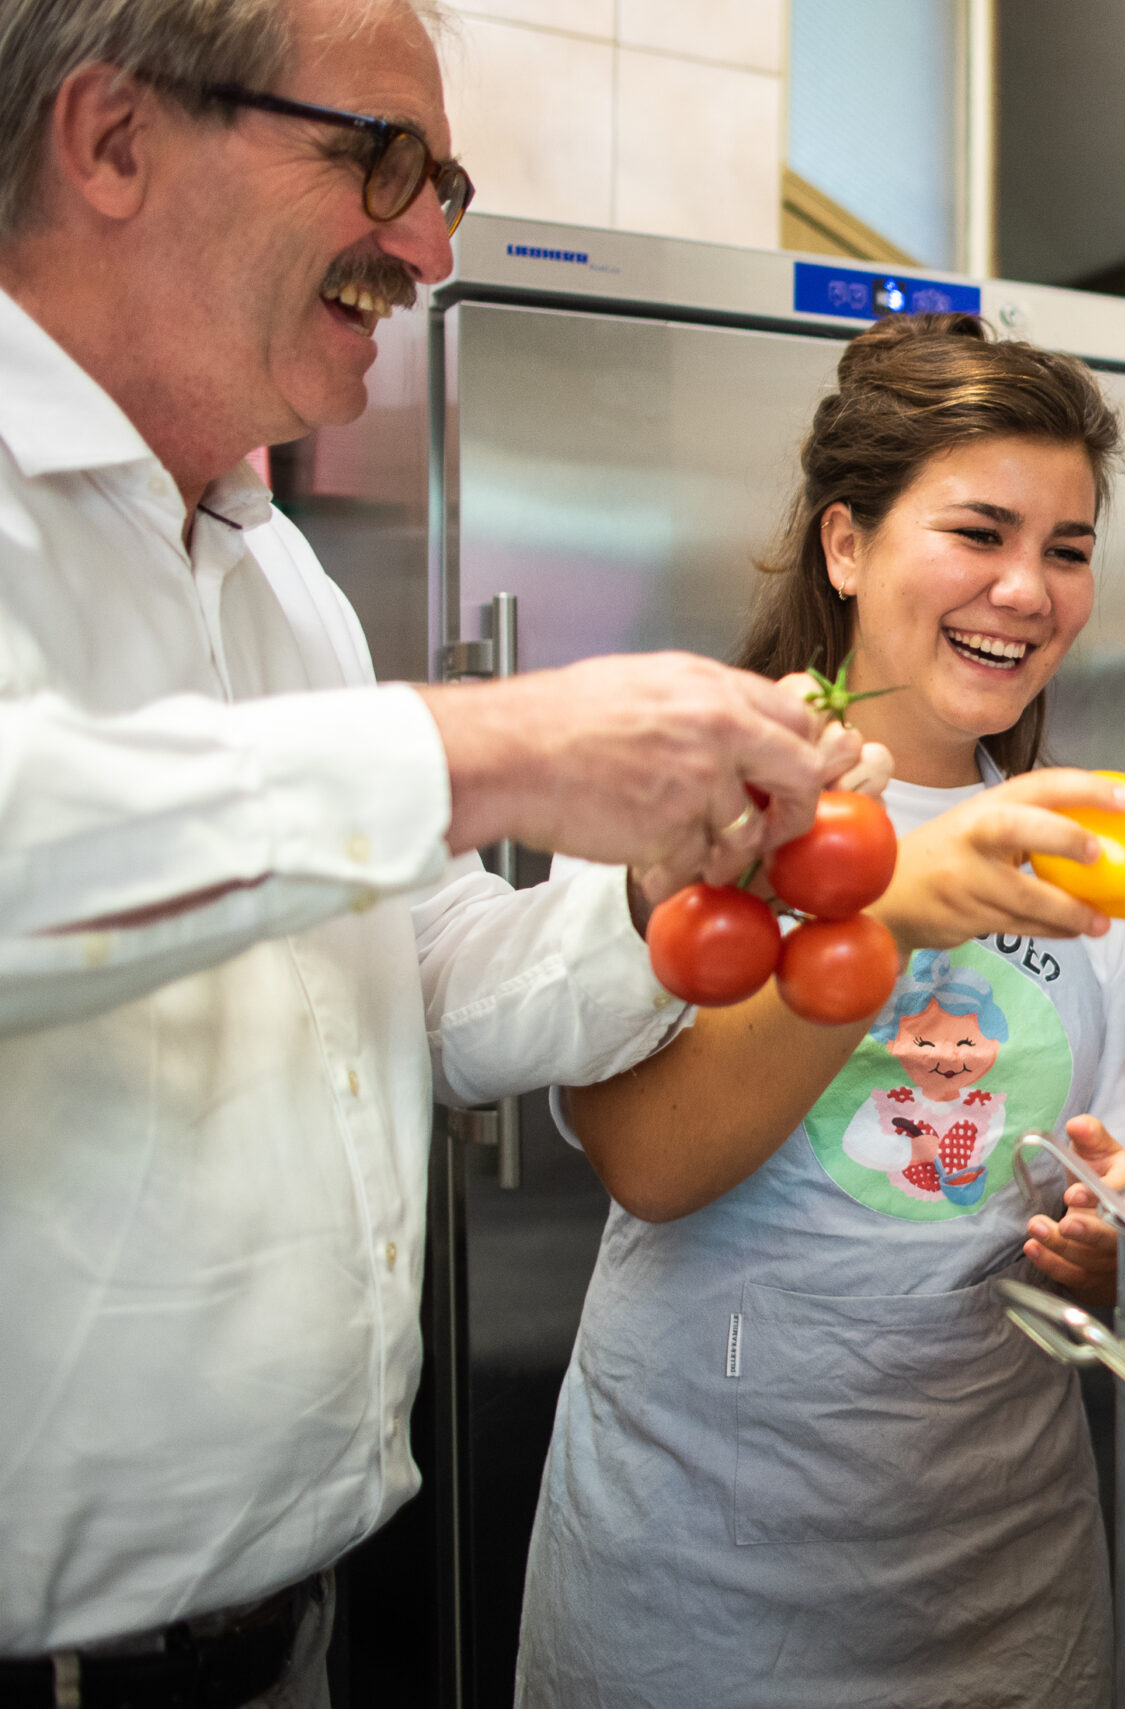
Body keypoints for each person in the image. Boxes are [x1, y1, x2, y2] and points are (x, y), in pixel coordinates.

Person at [0, 0, 898, 1699]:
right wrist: (486, 741)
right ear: (112, 138)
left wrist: (656, 892)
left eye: (448, 185)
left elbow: (428, 995)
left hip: (280, 1632)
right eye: (383, 162)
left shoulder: (277, 580)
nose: (423, 241)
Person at [514, 315, 1125, 1709]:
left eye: (1069, 548)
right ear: (847, 542)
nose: (1026, 589)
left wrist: (1120, 1236)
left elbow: (1118, 1157)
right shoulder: (696, 795)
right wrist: (893, 911)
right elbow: (650, 1160)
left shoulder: (1086, 841)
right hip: (702, 1583)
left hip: (1003, 1572)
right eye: (979, 531)